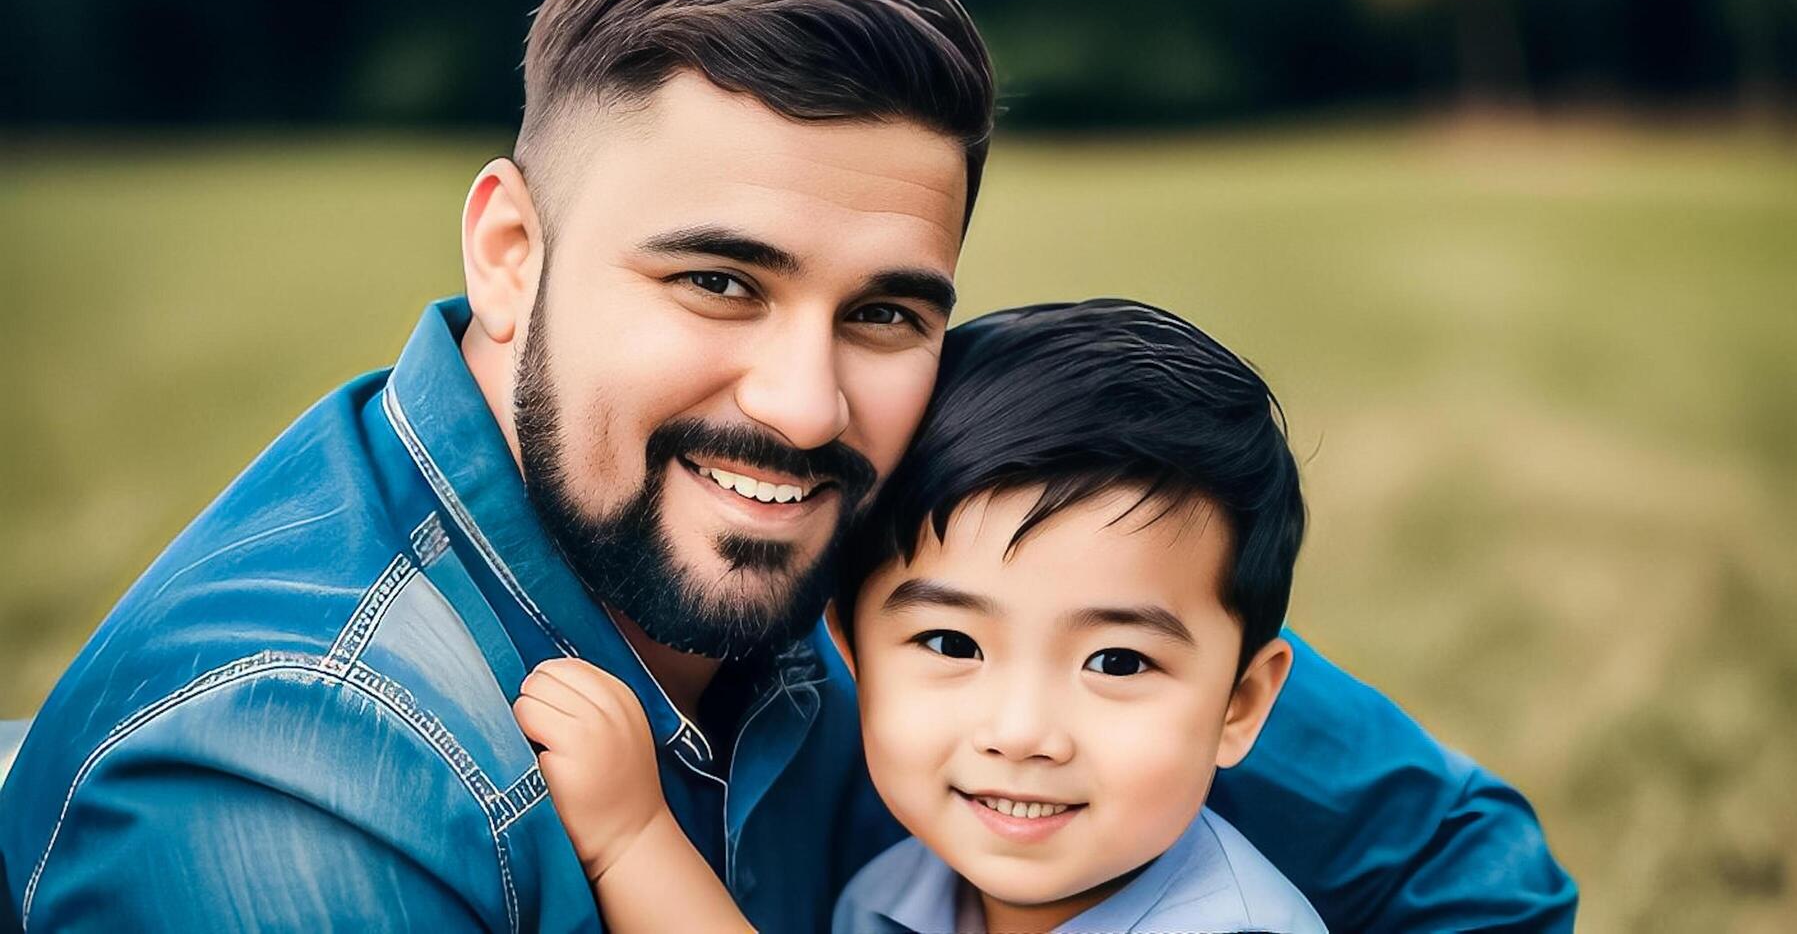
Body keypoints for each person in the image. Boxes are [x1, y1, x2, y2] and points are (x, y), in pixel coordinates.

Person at [0, 0, 1575, 931]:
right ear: (508, 251)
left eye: (887, 311)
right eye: (717, 280)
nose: (807, 408)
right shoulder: (294, 780)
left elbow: (1456, 877)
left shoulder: (947, 554)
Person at [517, 299, 1331, 933]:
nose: (1020, 733)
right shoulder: (888, 900)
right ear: (853, 655)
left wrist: (632, 843)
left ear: (1241, 703)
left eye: (1115, 662)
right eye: (951, 643)